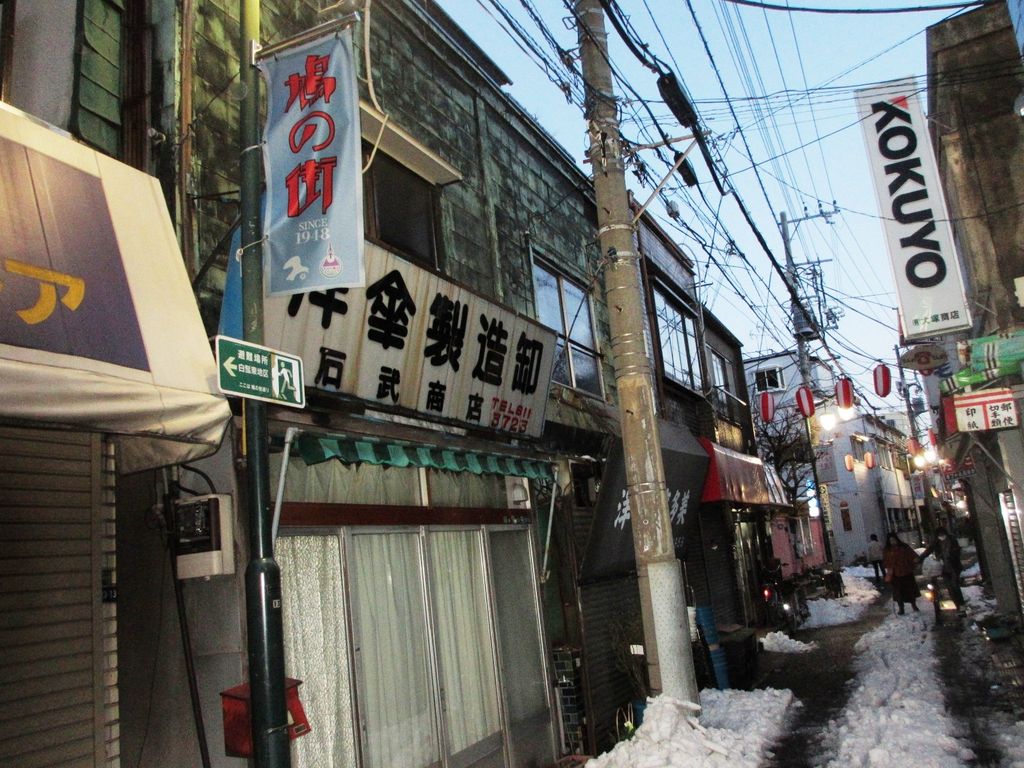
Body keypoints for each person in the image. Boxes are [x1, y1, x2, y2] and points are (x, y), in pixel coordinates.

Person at [919, 526, 965, 609]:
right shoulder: (936, 543)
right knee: (950, 588)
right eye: (939, 535)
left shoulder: (952, 540)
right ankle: (958, 605)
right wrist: (920, 558)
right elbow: (928, 550)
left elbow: (957, 552)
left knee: (955, 586)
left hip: (954, 567)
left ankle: (961, 604)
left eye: (942, 534)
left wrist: (951, 555)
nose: (941, 536)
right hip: (944, 568)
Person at [882, 533, 920, 614]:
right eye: (891, 540)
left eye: (893, 539)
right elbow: (885, 561)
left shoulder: (904, 547)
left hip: (906, 572)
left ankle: (914, 605)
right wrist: (889, 567)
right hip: (895, 574)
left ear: (896, 539)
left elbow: (912, 555)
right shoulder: (887, 550)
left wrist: (915, 560)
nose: (892, 541)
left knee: (910, 590)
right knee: (898, 592)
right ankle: (901, 608)